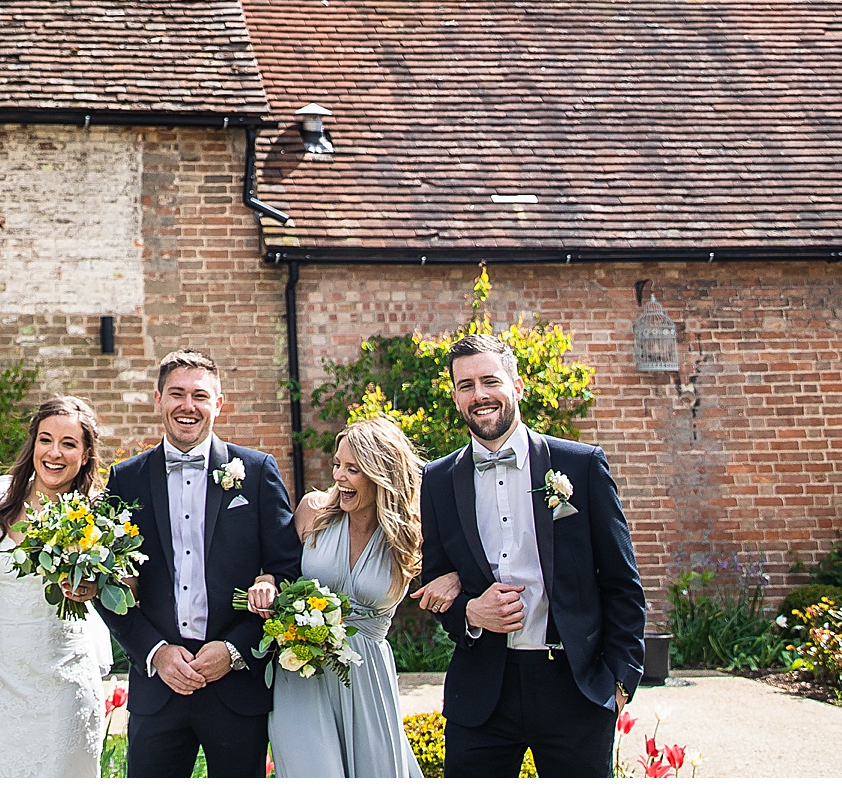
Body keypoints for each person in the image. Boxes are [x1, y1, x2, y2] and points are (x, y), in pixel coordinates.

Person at [418, 333, 646, 777]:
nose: (479, 395)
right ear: (455, 396)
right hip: (482, 692)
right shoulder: (439, 479)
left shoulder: (580, 465)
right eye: (466, 386)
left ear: (516, 386)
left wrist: (621, 680)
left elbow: (622, 580)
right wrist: (470, 613)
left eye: (490, 381)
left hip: (573, 687)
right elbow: (437, 582)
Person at [93, 349, 302, 778]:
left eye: (200, 396)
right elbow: (107, 585)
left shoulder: (258, 472)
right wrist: (154, 651)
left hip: (235, 684)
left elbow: (287, 571)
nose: (188, 406)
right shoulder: (125, 479)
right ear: (158, 400)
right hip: (158, 685)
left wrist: (235, 650)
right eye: (177, 394)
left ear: (218, 404)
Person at [0, 394, 115, 778]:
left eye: (69, 444)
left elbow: (125, 585)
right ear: (33, 444)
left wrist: (91, 589)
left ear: (85, 455)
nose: (54, 453)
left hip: (64, 678)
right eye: (46, 440)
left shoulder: (98, 511)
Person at [253, 414, 426, 778]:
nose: (339, 477)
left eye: (353, 469)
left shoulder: (408, 536)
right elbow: (277, 568)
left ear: (381, 474)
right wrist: (266, 581)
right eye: (337, 465)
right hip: (302, 670)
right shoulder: (313, 512)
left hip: (366, 676)